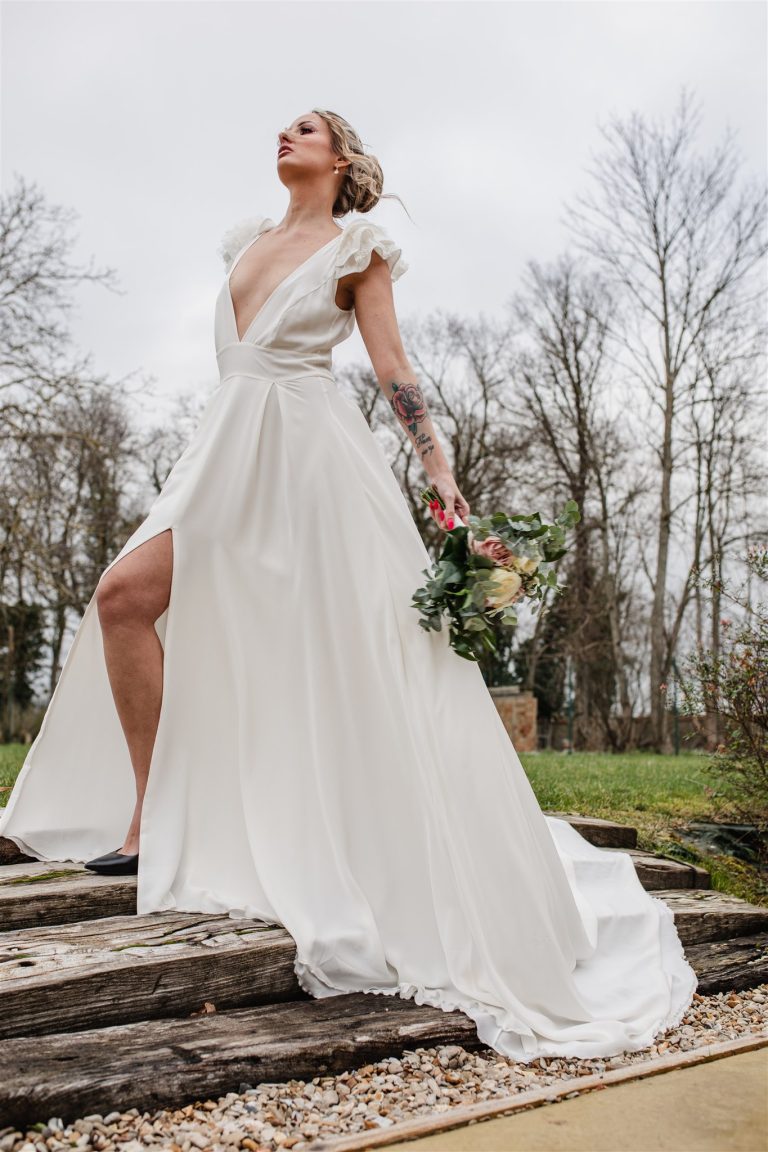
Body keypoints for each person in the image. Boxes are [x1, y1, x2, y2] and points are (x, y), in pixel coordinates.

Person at [0, 109, 697, 1061]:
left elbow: (392, 367)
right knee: (124, 597)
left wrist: (440, 473)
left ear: (343, 159)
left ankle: (251, 827)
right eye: (282, 128)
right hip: (223, 450)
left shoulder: (357, 247)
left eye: (306, 128)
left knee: (340, 648)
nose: (283, 136)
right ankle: (150, 809)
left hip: (308, 460)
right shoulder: (245, 243)